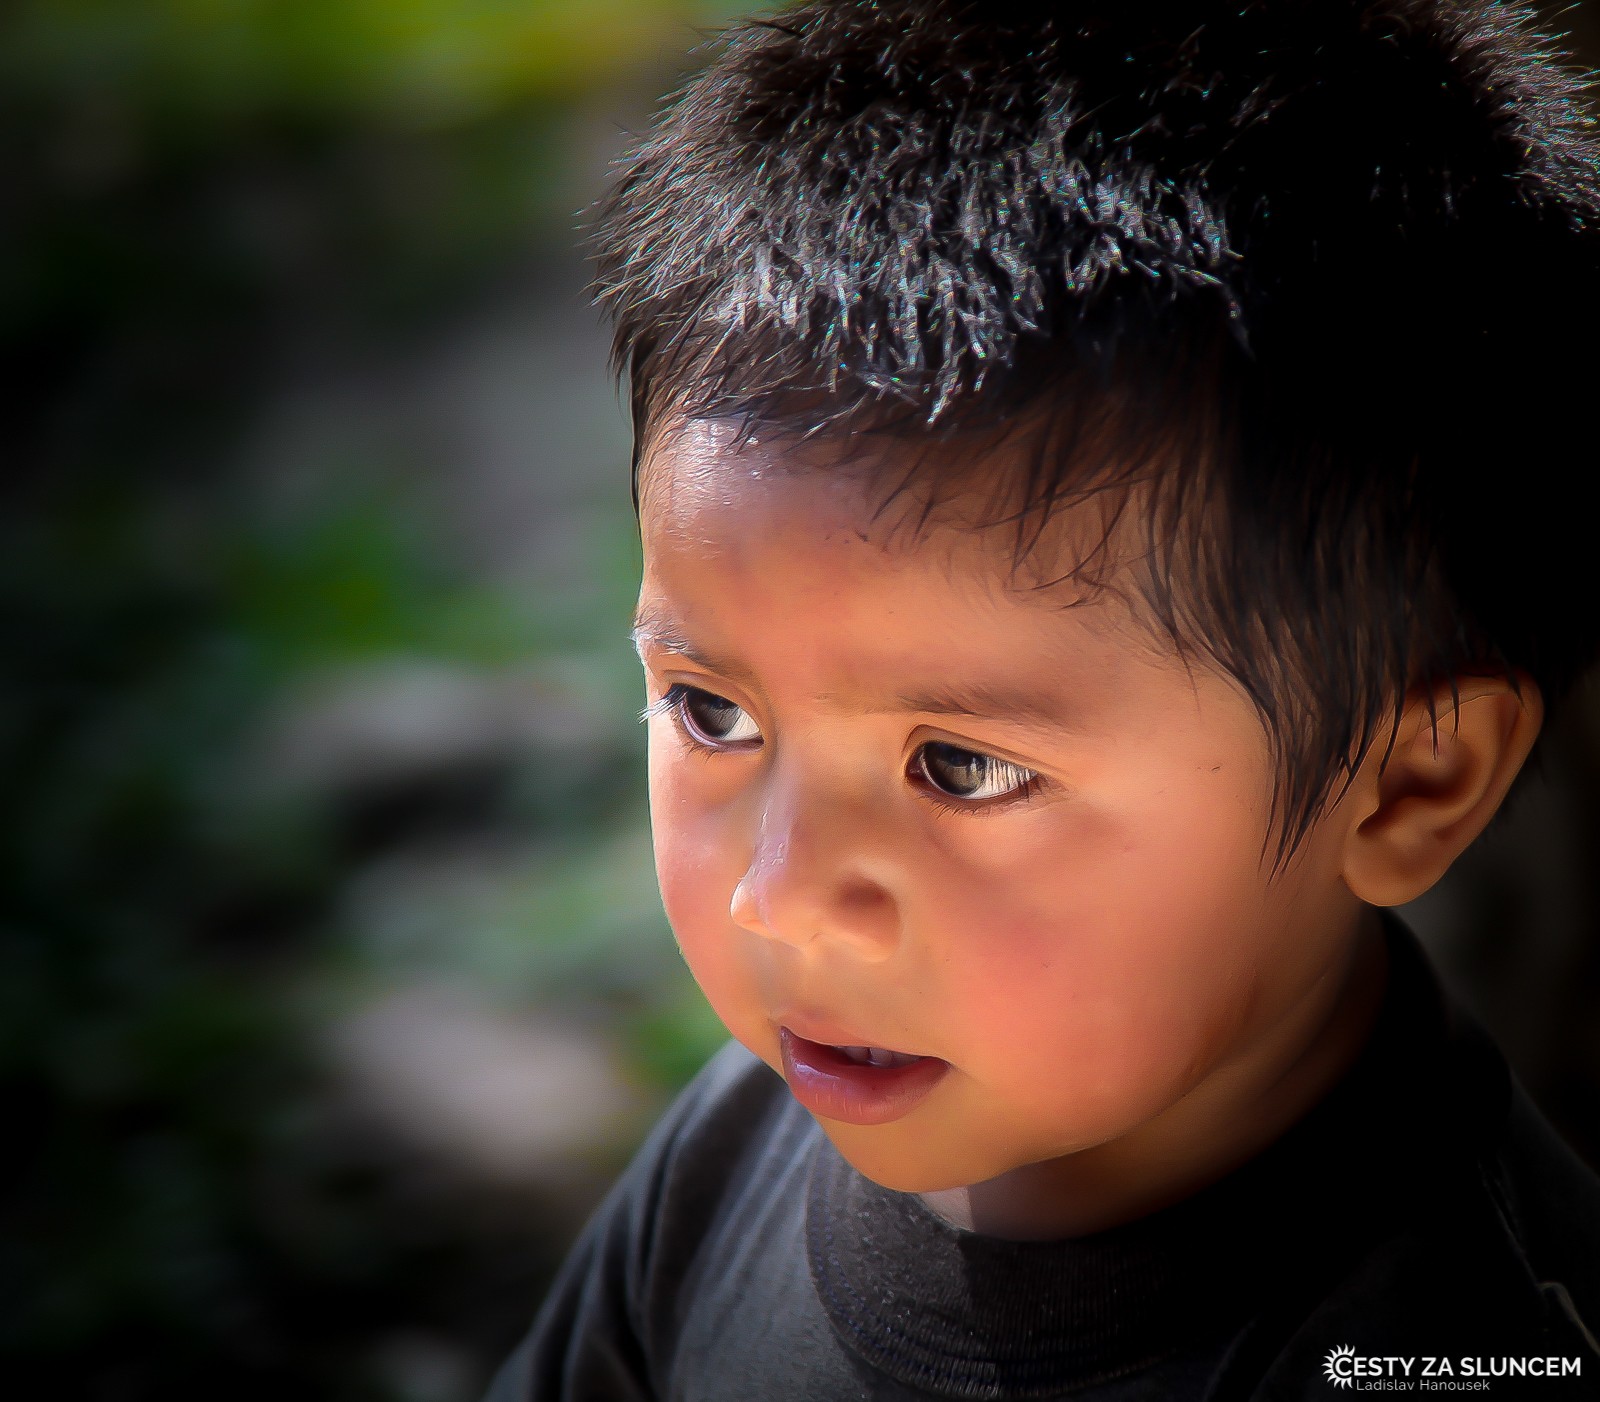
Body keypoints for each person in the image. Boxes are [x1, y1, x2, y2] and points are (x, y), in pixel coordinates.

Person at [489, 2, 1600, 1397]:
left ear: (1409, 783)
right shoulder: (731, 1156)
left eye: (959, 766)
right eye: (714, 714)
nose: (777, 899)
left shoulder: (1446, 1350)